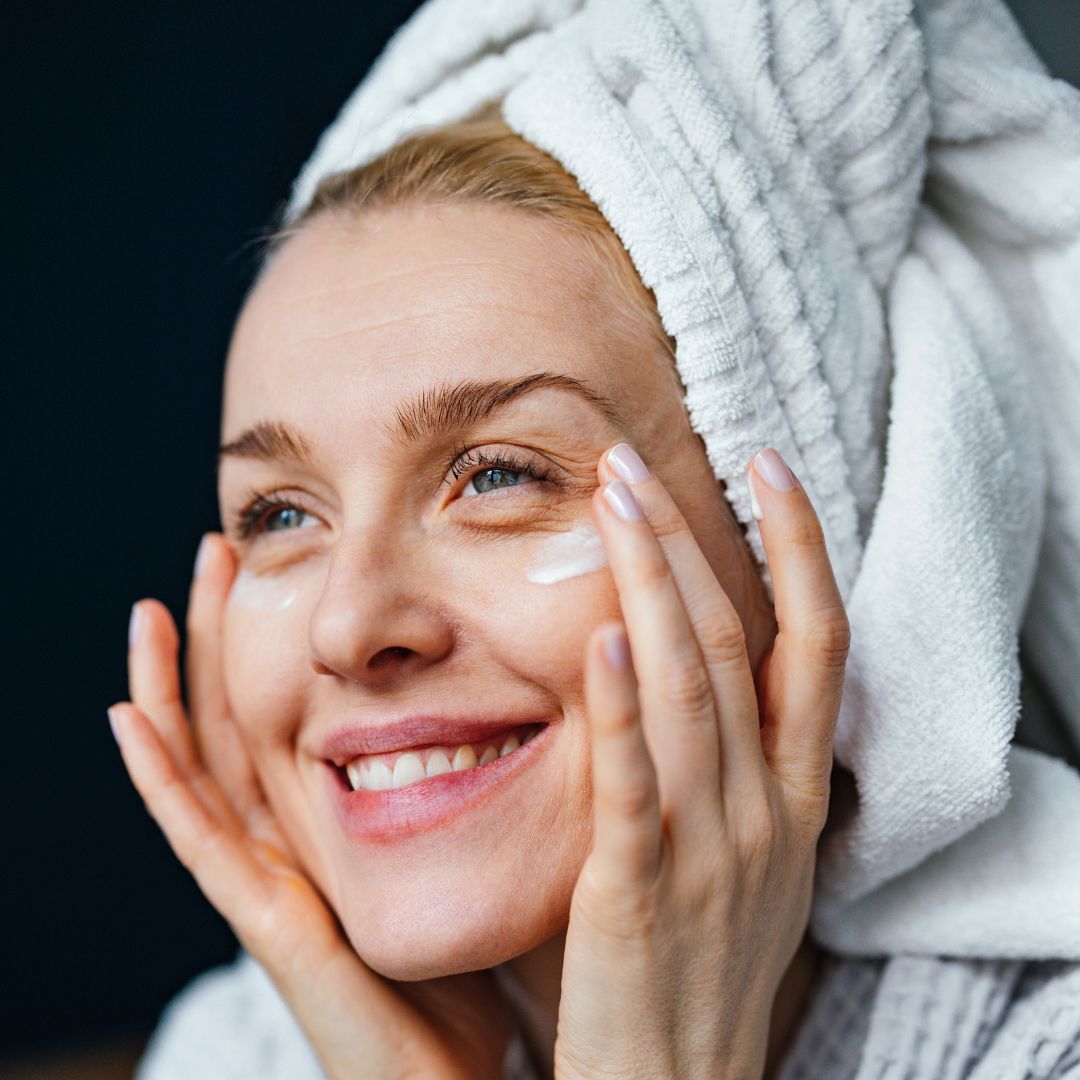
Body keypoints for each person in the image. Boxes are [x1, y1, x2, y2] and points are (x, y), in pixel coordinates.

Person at [112, 0, 1080, 1075]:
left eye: (497, 477)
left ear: (798, 553)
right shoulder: (232, 1053)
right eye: (282, 514)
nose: (345, 626)